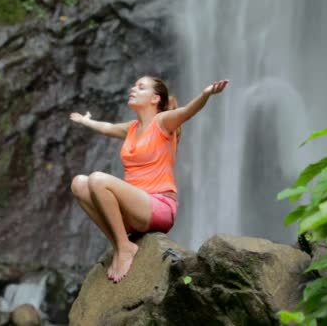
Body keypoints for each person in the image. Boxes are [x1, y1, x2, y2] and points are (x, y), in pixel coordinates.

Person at [69, 76, 229, 283]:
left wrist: (205, 94)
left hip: (158, 206)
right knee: (79, 183)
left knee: (97, 179)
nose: (133, 89)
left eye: (141, 87)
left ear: (154, 98)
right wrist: (85, 121)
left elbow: (188, 111)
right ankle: (120, 245)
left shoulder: (163, 122)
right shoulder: (132, 128)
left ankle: (125, 248)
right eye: (134, 85)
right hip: (132, 210)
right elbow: (107, 128)